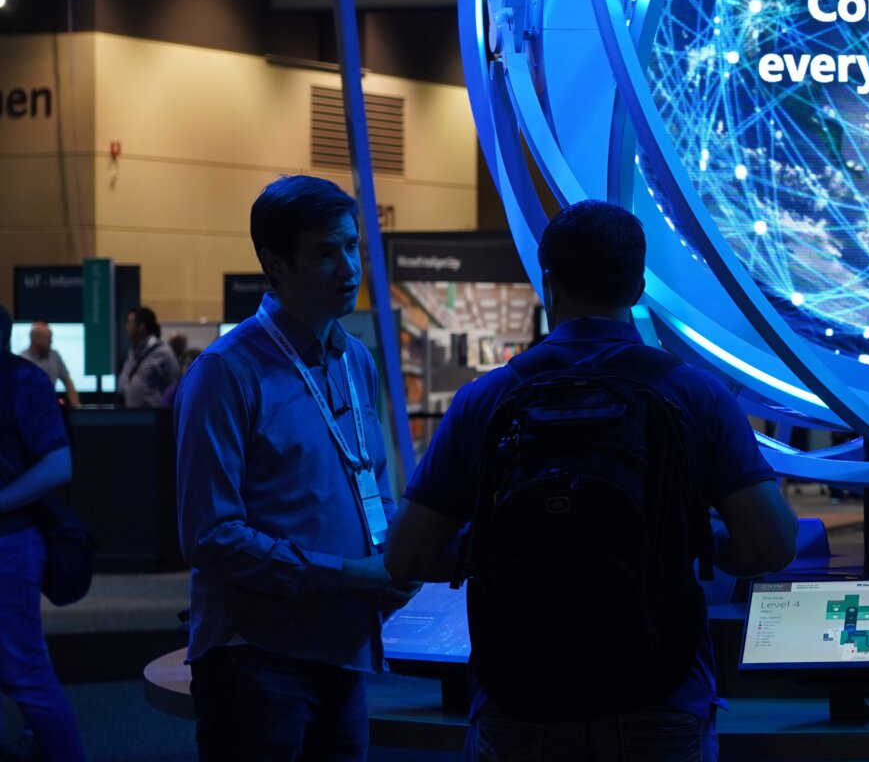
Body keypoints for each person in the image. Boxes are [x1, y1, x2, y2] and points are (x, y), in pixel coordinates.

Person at [386, 199, 797, 761]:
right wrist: (682, 537)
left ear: (549, 284)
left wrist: (506, 540)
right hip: (661, 701)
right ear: (637, 287)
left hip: (518, 705)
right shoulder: (695, 394)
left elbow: (405, 556)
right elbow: (770, 545)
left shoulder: (486, 399)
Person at [176, 176, 416, 761]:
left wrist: (396, 562)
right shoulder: (226, 372)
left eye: (353, 247)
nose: (347, 268)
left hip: (345, 650)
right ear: (275, 263)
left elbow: (372, 482)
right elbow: (209, 536)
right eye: (325, 252)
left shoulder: (354, 358)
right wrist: (345, 574)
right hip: (256, 659)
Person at [0, 303, 84, 762]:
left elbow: (58, 463)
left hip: (9, 544)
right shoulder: (25, 376)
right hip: (11, 541)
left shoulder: (22, 379)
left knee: (27, 674)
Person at [119, 307, 179, 409]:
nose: (126, 328)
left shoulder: (162, 352)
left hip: (155, 419)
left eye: (130, 323)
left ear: (141, 327)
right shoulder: (132, 352)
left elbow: (174, 385)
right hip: (132, 417)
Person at [20, 323, 80, 410]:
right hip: (29, 408)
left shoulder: (54, 356)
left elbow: (67, 381)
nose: (51, 342)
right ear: (35, 339)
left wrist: (76, 406)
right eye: (48, 339)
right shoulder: (23, 359)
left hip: (50, 408)